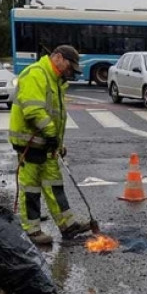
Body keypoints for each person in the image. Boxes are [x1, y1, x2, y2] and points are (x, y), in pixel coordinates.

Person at [9, 45, 92, 245]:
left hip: (47, 144)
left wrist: (58, 144)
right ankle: (32, 230)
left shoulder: (55, 80)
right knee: (31, 189)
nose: (70, 72)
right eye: (69, 67)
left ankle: (68, 225)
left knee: (54, 185)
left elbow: (55, 115)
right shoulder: (36, 74)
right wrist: (52, 135)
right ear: (57, 58)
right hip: (30, 143)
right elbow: (34, 111)